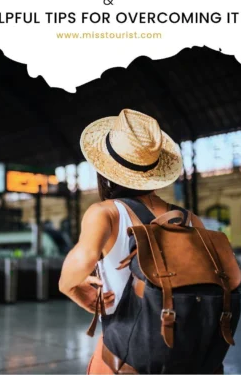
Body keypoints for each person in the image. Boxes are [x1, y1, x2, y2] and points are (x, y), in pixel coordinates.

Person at [59, 108, 184, 373]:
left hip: (126, 358)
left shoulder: (106, 213)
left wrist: (72, 288)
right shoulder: (188, 219)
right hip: (186, 357)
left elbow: (80, 263)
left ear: (105, 169)